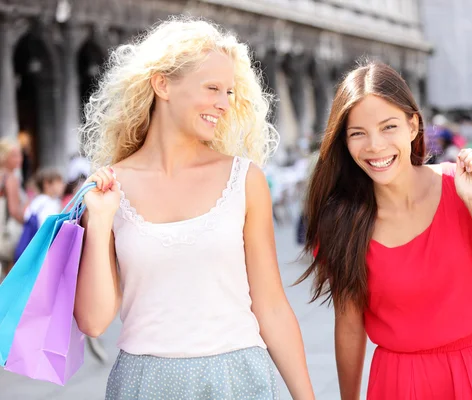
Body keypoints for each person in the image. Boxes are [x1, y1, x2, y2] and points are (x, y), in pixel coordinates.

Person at [75, 17, 314, 399]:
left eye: (230, 92)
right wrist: (101, 222)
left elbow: (271, 307)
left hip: (238, 379)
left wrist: (306, 397)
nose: (223, 104)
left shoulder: (244, 180)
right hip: (143, 382)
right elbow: (92, 321)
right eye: (213, 88)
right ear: (162, 84)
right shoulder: (108, 189)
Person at [298, 62, 472, 399]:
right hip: (397, 381)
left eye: (388, 126)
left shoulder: (462, 187)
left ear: (413, 124)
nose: (374, 146)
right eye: (357, 133)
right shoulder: (342, 221)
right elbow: (348, 325)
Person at [0, 138, 26, 278]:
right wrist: (28, 222)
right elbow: (14, 210)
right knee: (10, 274)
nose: (19, 159)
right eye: (14, 155)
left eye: (20, 155)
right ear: (4, 157)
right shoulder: (10, 178)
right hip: (7, 233)